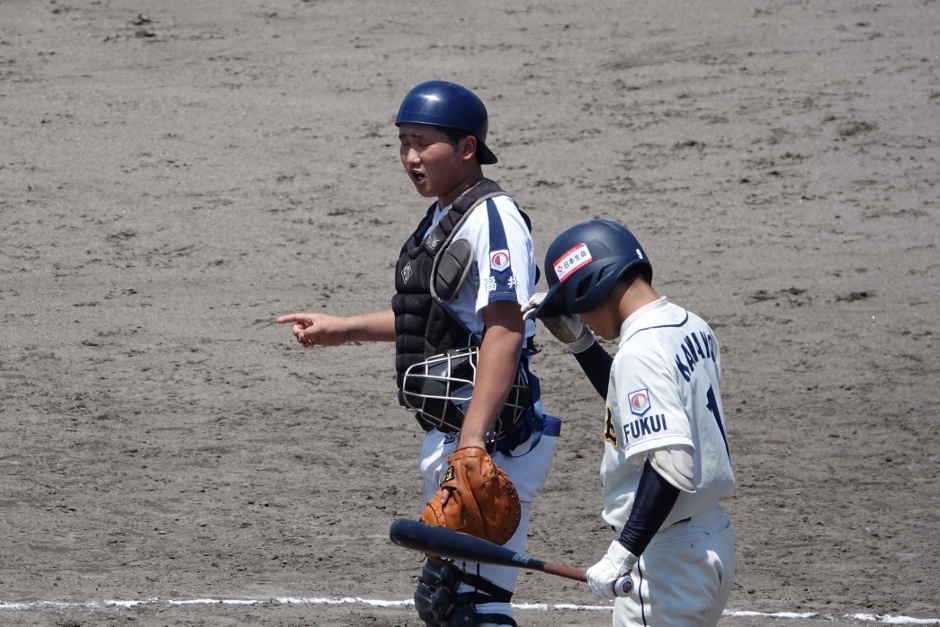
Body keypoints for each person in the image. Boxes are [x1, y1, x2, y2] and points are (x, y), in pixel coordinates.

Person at [277, 80, 557, 627]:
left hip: (492, 441)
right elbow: (434, 321)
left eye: (422, 143)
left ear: (467, 147)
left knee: (473, 609)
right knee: (446, 604)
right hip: (455, 436)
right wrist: (345, 329)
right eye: (403, 142)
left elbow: (505, 329)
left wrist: (473, 442)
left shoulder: (493, 218)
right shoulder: (444, 215)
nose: (409, 157)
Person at [522, 219, 736, 626]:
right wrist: (583, 346)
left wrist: (622, 553)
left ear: (591, 284)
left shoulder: (639, 351)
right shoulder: (692, 326)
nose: (579, 316)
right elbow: (640, 404)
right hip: (712, 541)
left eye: (573, 301)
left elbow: (672, 463)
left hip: (665, 559)